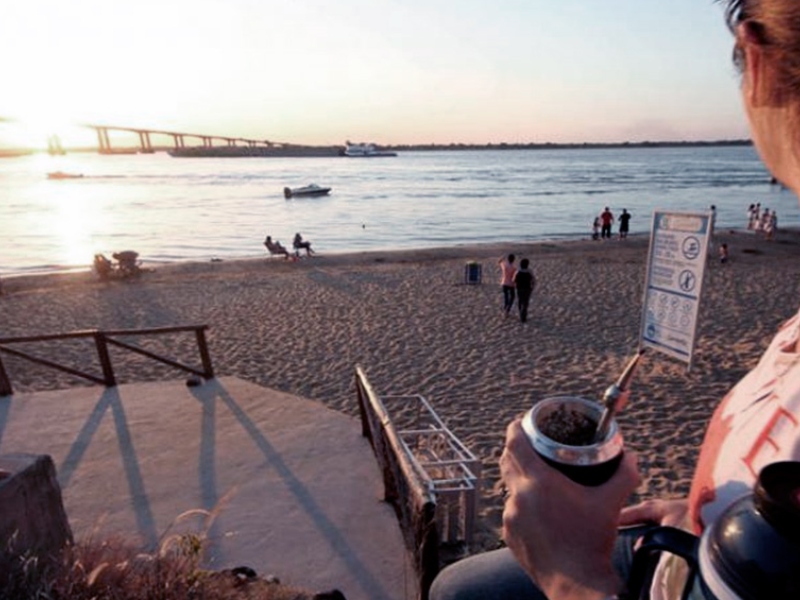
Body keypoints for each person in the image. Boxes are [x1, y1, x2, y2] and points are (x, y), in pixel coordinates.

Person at [430, 2, 800, 599]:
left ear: (755, 62)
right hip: (696, 540)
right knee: (462, 586)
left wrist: (570, 577)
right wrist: (703, 506)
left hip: (694, 574)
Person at [512, 258, 535, 324]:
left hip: (520, 288)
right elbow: (533, 280)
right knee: (525, 302)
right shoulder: (529, 271)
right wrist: (532, 287)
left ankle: (521, 313)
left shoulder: (518, 271)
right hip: (527, 288)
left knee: (520, 300)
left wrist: (515, 285)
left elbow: (513, 280)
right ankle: (523, 315)